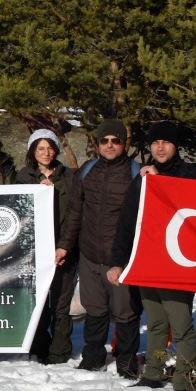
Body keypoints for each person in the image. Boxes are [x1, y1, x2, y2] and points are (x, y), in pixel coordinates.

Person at [108, 123, 196, 391]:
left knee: (181, 323)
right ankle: (152, 372)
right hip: (148, 261)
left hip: (178, 263)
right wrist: (118, 262)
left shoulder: (192, 172)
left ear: (176, 146)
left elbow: (191, 197)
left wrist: (158, 178)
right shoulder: (142, 178)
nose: (160, 147)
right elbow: (127, 222)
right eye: (154, 143)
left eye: (166, 142)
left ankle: (183, 380)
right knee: (156, 323)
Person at [70, 119, 141, 376]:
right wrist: (65, 246)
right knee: (95, 308)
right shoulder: (87, 170)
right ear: (97, 143)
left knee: (126, 312)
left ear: (124, 143)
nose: (110, 145)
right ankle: (93, 356)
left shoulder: (136, 173)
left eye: (116, 140)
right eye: (104, 140)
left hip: (121, 257)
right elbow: (75, 212)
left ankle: (126, 359)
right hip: (90, 252)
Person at [16, 129, 81, 364]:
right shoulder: (22, 177)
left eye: (50, 147)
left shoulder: (70, 176)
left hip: (64, 248)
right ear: (33, 151)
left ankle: (60, 350)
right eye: (40, 148)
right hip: (34, 252)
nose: (46, 152)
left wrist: (65, 245)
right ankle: (39, 346)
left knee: (61, 304)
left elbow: (75, 213)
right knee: (39, 302)